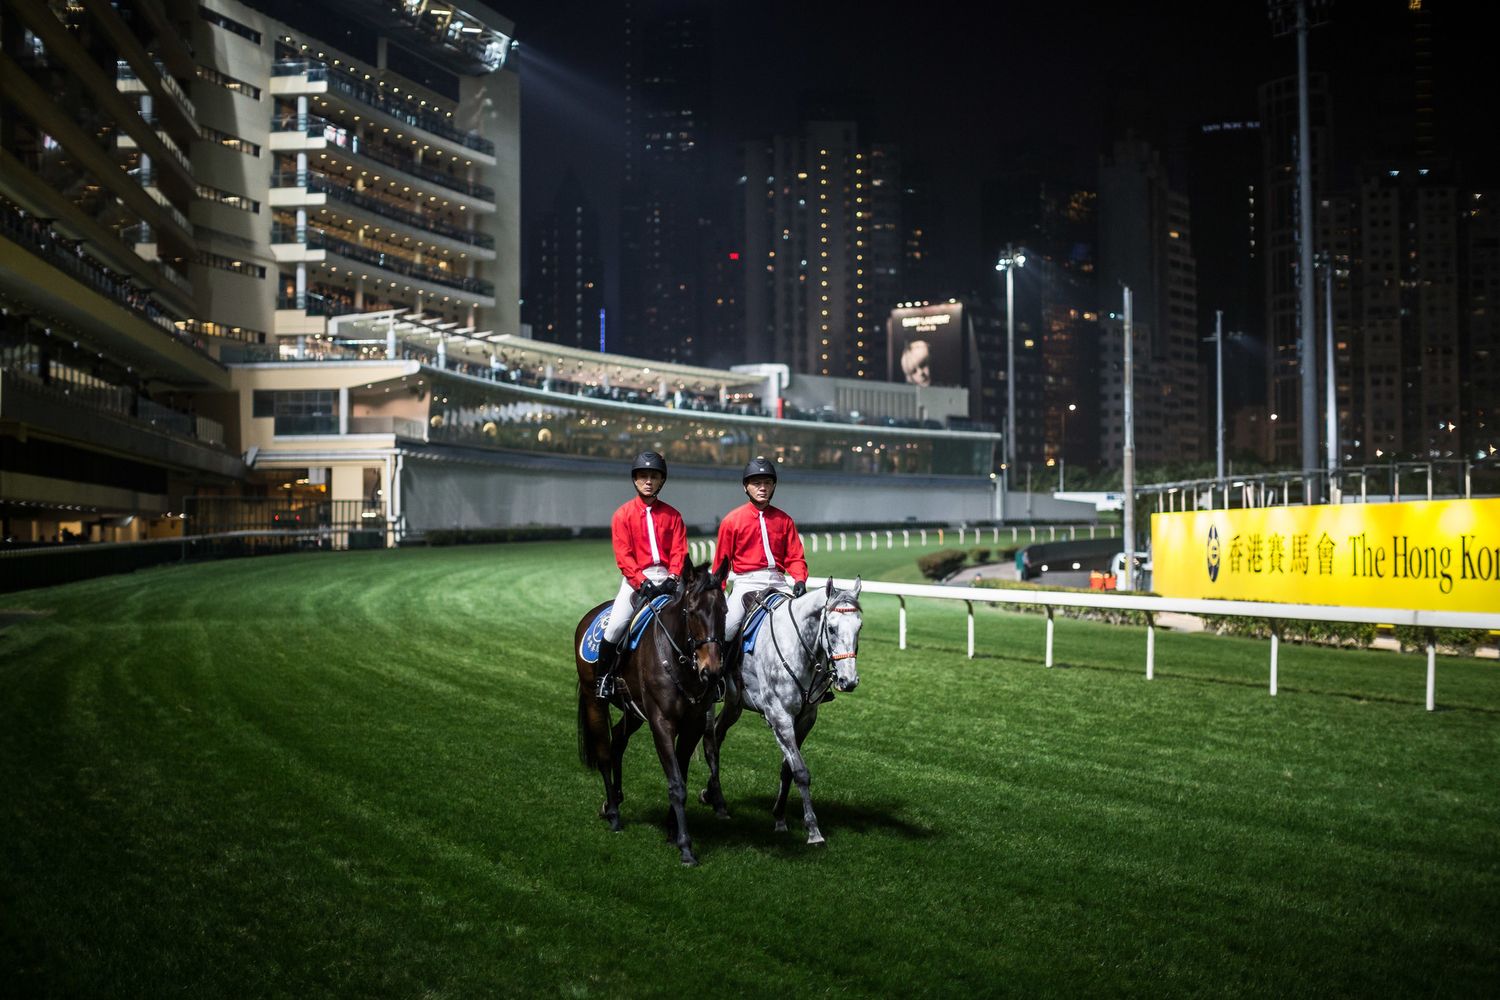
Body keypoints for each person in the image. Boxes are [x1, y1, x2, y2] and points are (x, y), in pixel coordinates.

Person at [594, 451, 687, 699]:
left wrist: (673, 578)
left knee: (696, 619)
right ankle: (604, 678)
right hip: (637, 581)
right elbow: (623, 556)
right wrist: (641, 582)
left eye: (654, 477)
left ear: (661, 480)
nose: (648, 481)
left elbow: (679, 551)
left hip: (669, 580)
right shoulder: (622, 515)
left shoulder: (673, 515)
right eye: (643, 476)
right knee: (615, 627)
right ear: (635, 480)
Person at [714, 456, 808, 645]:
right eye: (757, 483)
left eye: (767, 483)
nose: (763, 488)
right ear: (746, 487)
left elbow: (795, 557)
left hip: (779, 583)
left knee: (805, 626)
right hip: (746, 584)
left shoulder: (785, 520)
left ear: (774, 487)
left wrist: (799, 579)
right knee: (726, 630)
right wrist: (718, 591)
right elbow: (722, 563)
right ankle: (721, 665)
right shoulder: (731, 521)